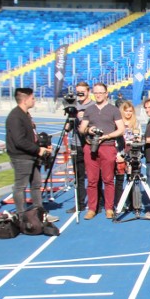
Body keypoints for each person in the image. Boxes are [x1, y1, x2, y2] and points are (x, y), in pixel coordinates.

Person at [79, 83, 124, 220]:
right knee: (92, 180)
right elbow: (81, 128)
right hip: (90, 146)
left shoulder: (113, 110)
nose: (98, 95)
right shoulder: (89, 110)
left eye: (101, 92)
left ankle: (109, 208)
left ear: (106, 93)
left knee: (108, 179)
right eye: (96, 92)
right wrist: (88, 130)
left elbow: (121, 129)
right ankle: (92, 208)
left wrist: (107, 136)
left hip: (107, 146)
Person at [6, 88, 53, 217]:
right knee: (20, 186)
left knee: (36, 184)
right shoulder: (15, 117)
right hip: (22, 157)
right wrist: (38, 149)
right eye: (33, 98)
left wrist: (43, 146)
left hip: (32, 155)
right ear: (25, 100)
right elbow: (19, 141)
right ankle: (22, 216)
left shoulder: (26, 115)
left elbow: (31, 136)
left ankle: (38, 212)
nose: (34, 100)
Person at [66, 81, 93, 213]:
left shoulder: (93, 105)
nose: (80, 94)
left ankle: (96, 202)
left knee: (94, 175)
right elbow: (67, 128)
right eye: (78, 92)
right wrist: (70, 116)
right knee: (79, 176)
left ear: (88, 91)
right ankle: (79, 203)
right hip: (76, 144)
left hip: (90, 143)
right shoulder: (73, 106)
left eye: (82, 91)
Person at [114, 100, 140, 200]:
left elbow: (139, 137)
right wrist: (117, 154)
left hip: (132, 153)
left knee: (131, 178)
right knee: (119, 178)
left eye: (130, 111)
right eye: (126, 111)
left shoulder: (136, 123)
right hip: (120, 152)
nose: (128, 113)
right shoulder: (118, 123)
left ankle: (132, 201)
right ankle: (118, 202)